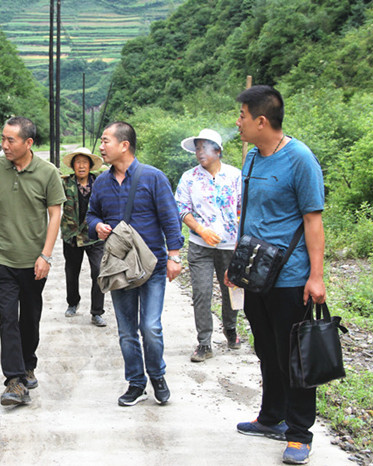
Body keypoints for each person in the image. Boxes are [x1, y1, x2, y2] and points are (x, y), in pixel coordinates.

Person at [225, 85, 326, 465]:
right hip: (255, 274)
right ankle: (271, 417)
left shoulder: (300, 159)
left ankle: (299, 433)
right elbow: (247, 215)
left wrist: (315, 276)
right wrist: (237, 264)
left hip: (290, 277)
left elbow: (312, 220)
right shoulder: (252, 157)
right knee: (266, 348)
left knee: (293, 356)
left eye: (243, 117)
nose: (239, 123)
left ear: (261, 121)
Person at [87, 121, 184, 407]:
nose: (101, 147)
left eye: (105, 141)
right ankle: (136, 383)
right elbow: (91, 215)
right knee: (127, 330)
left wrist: (175, 256)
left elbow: (170, 218)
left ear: (124, 145)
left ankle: (158, 375)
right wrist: (98, 226)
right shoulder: (101, 182)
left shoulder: (152, 178)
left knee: (150, 327)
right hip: (119, 266)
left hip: (152, 265)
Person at [0, 116, 65, 406]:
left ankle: (28, 364)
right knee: (7, 320)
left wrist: (46, 255)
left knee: (30, 318)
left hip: (33, 262)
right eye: (2, 138)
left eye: (10, 140)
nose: (4, 145)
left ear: (28, 143)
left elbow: (55, 214)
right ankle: (13, 381)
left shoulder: (47, 172)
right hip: (1, 259)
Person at [175, 129, 242, 362]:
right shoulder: (189, 178)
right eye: (197, 148)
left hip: (229, 245)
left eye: (205, 147)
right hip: (199, 245)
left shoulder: (235, 176)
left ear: (218, 150)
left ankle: (230, 329)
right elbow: (182, 208)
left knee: (230, 289)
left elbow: (244, 208)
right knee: (202, 292)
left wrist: (239, 240)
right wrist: (201, 229)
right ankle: (204, 342)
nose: (200, 152)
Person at [60, 147, 107, 327]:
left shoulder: (100, 183)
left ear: (90, 166)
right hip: (72, 235)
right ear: (73, 166)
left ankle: (97, 312)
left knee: (98, 271)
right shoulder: (65, 184)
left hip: (94, 235)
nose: (81, 166)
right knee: (72, 272)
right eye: (78, 162)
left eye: (84, 163)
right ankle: (72, 302)